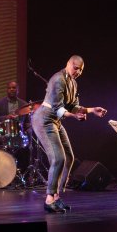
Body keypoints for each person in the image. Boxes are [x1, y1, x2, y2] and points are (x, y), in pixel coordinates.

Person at [31, 55, 107, 213]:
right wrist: (74, 116)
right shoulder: (58, 79)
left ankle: (56, 196)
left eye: (81, 69)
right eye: (75, 67)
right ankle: (49, 198)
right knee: (58, 158)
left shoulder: (73, 82)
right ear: (68, 64)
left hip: (55, 121)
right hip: (44, 119)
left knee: (69, 158)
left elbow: (73, 106)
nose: (78, 71)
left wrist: (92, 110)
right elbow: (58, 108)